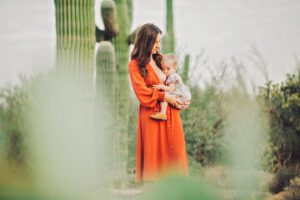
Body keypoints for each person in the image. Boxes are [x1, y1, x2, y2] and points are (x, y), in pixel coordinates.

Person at [128, 23, 189, 183]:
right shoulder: (134, 65)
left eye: (159, 42)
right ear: (145, 41)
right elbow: (142, 94)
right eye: (155, 42)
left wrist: (180, 99)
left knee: (175, 162)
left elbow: (175, 83)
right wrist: (164, 97)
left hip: (172, 116)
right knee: (155, 169)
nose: (158, 46)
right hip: (152, 117)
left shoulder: (161, 60)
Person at [150, 54, 191, 120]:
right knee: (166, 95)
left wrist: (161, 86)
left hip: (181, 97)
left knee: (164, 95)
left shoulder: (172, 76)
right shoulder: (174, 75)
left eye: (168, 69)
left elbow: (171, 89)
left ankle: (163, 113)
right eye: (163, 69)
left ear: (174, 68)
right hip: (183, 97)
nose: (165, 71)